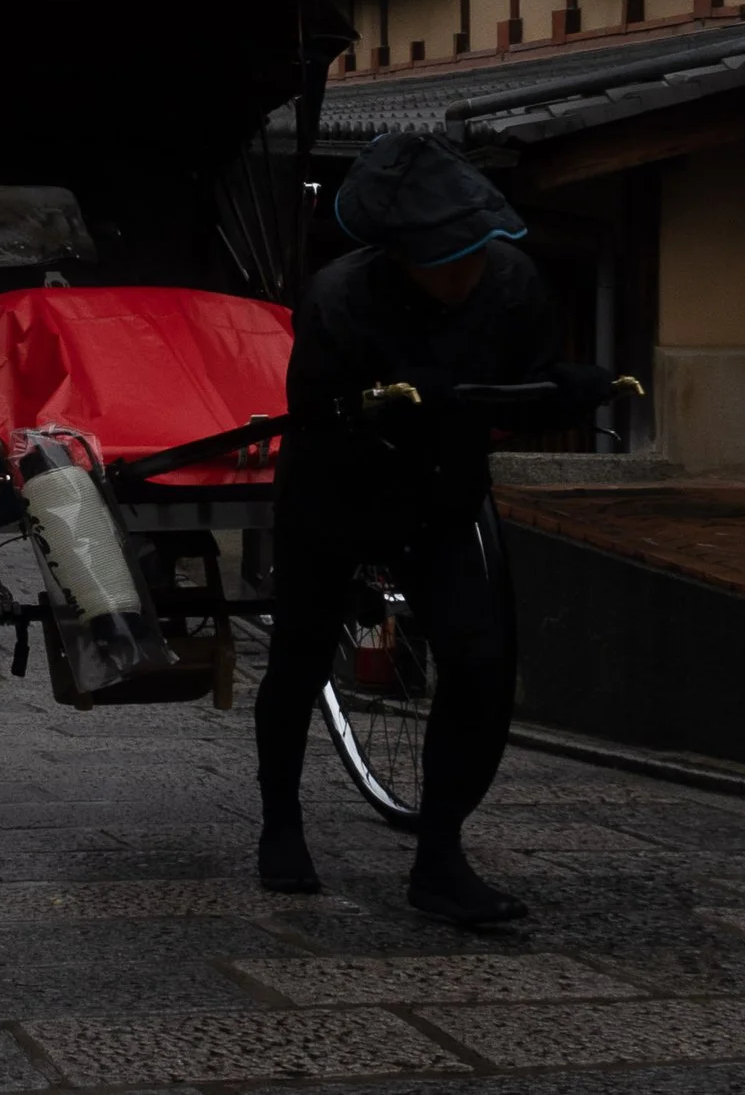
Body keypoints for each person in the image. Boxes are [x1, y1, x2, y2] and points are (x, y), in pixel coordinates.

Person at [254, 135, 608, 927]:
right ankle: (280, 820)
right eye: (443, 259)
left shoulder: (510, 282)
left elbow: (525, 385)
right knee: (300, 654)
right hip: (334, 491)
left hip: (443, 494)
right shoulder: (339, 298)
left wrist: (558, 393)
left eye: (473, 253)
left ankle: (441, 855)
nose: (464, 273)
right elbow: (323, 419)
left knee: (480, 663)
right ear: (398, 251)